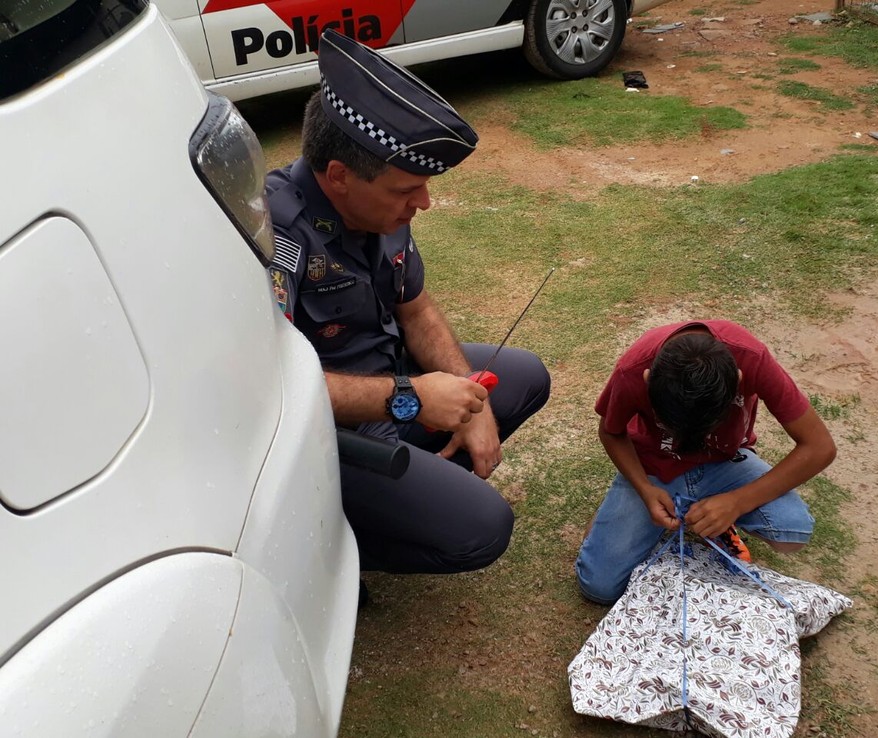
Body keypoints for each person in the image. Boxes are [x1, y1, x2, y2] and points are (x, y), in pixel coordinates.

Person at [265, 29, 550, 577]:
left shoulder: (380, 213)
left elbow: (416, 309)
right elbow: (272, 387)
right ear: (340, 177)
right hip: (327, 437)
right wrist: (410, 397)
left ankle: (418, 493)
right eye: (405, 190)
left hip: (393, 384)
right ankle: (330, 549)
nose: (423, 202)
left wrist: (473, 401)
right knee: (482, 529)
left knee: (524, 376)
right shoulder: (277, 236)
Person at [575, 320, 836, 605]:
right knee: (598, 587)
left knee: (792, 531)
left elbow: (820, 447)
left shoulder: (751, 358)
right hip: (653, 469)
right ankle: (626, 513)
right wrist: (644, 489)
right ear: (648, 380)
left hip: (725, 463)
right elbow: (611, 431)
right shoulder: (633, 370)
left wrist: (737, 501)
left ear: (738, 379)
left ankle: (715, 513)